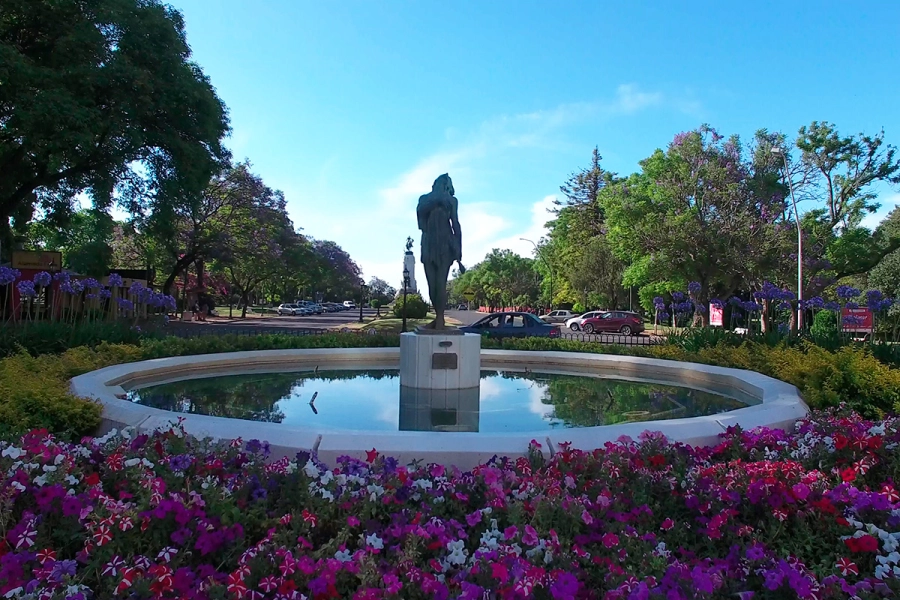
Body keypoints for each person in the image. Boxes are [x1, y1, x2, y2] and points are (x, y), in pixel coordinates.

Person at [416, 174, 463, 330]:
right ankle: (438, 317)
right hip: (428, 243)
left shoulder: (452, 201)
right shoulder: (424, 199)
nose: (444, 186)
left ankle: (440, 319)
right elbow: (420, 217)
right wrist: (436, 200)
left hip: (445, 244)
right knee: (431, 284)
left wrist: (459, 246)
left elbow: (455, 223)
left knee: (440, 283)